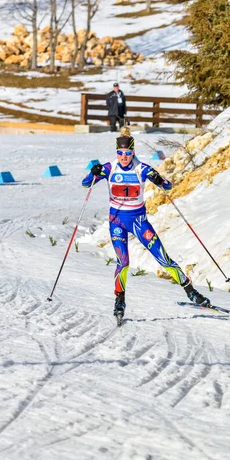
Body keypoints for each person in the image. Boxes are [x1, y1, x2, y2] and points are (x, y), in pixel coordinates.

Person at [82, 127, 211, 320]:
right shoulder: (109, 168)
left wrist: (158, 179)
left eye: (127, 153)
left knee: (163, 259)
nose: (123, 157)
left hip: (138, 222)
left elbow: (167, 185)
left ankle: (191, 291)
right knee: (123, 262)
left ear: (133, 152)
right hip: (116, 222)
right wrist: (94, 173)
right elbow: (86, 184)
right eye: (120, 153)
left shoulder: (141, 168)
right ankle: (119, 299)